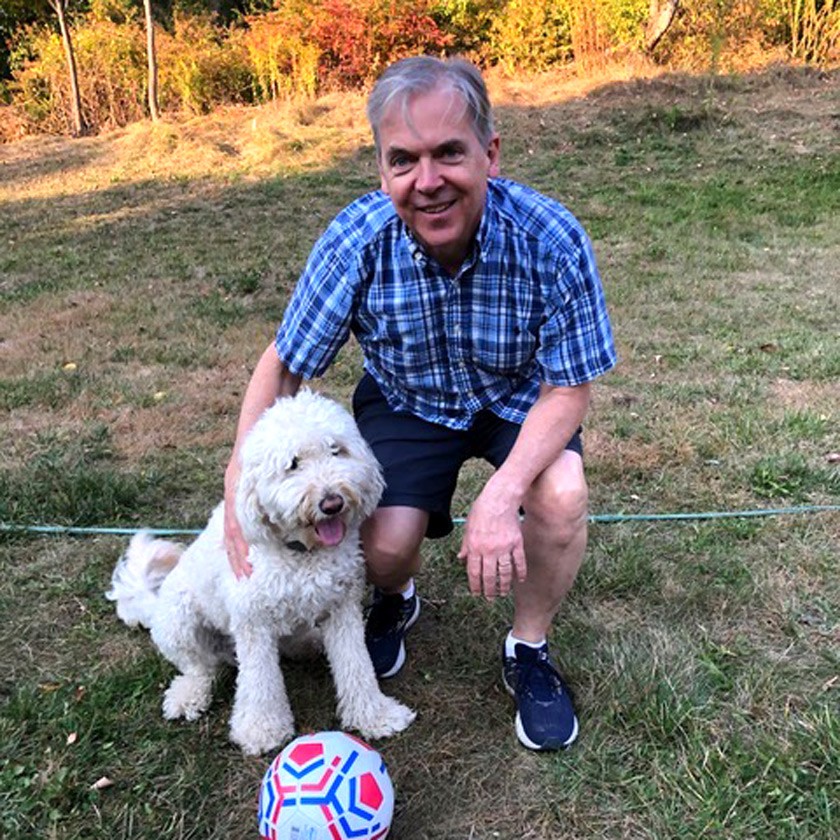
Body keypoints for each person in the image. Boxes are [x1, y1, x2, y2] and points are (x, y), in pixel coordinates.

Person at [223, 56, 616, 751]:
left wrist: (503, 494)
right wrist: (237, 484)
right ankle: (394, 598)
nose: (427, 182)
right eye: (403, 160)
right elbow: (283, 366)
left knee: (560, 493)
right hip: (408, 403)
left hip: (521, 398)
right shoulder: (356, 241)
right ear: (381, 169)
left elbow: (569, 387)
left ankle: (528, 650)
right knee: (384, 544)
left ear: (490, 155)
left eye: (448, 154)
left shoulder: (552, 238)